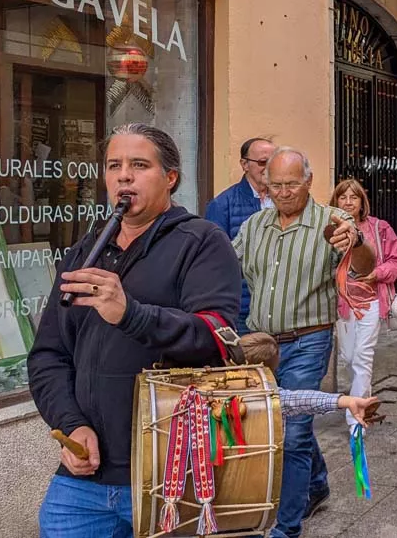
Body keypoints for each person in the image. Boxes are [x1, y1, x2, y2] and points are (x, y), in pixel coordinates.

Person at [29, 124, 242, 536]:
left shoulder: (201, 241)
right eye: (114, 166)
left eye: (139, 165)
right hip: (84, 478)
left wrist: (131, 314)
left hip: (172, 470)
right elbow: (47, 355)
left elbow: (216, 337)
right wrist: (71, 425)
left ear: (171, 178)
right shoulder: (85, 250)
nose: (124, 175)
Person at [234, 147, 375, 537]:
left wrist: (357, 241)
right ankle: (315, 484)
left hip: (308, 341)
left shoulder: (335, 221)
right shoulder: (254, 226)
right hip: (261, 345)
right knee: (287, 419)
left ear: (309, 181)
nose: (282, 192)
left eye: (291, 184)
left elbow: (366, 266)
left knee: (292, 432)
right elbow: (231, 267)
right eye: (274, 184)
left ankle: (287, 528)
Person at [332, 179, 397, 432]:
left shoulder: (379, 228)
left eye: (354, 197)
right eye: (343, 197)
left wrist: (377, 273)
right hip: (344, 304)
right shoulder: (330, 231)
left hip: (373, 301)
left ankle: (356, 419)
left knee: (363, 356)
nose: (348, 202)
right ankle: (363, 397)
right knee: (349, 357)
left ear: (363, 202)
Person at [205, 136, 277, 334]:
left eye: (274, 161)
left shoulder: (286, 200)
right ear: (244, 164)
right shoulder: (222, 205)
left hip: (282, 311)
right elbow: (214, 263)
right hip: (243, 310)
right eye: (263, 162)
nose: (269, 167)